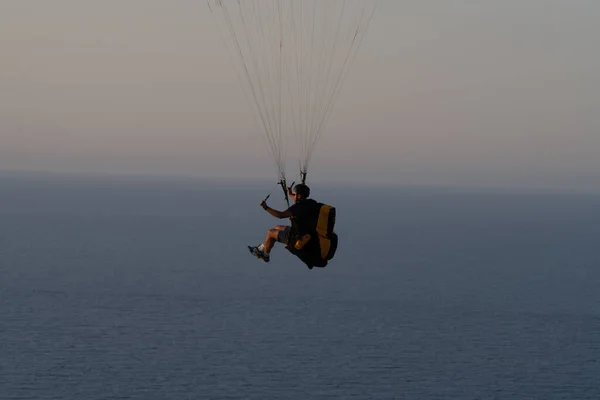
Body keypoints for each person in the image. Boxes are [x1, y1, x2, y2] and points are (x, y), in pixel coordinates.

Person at [248, 183, 319, 263]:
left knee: (270, 233)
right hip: (306, 233)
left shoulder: (297, 208)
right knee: (278, 227)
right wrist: (290, 194)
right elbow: (299, 201)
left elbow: (280, 215)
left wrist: (266, 207)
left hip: (297, 238)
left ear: (299, 196)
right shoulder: (311, 203)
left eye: (294, 194)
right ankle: (261, 248)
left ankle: (265, 255)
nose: (293, 195)